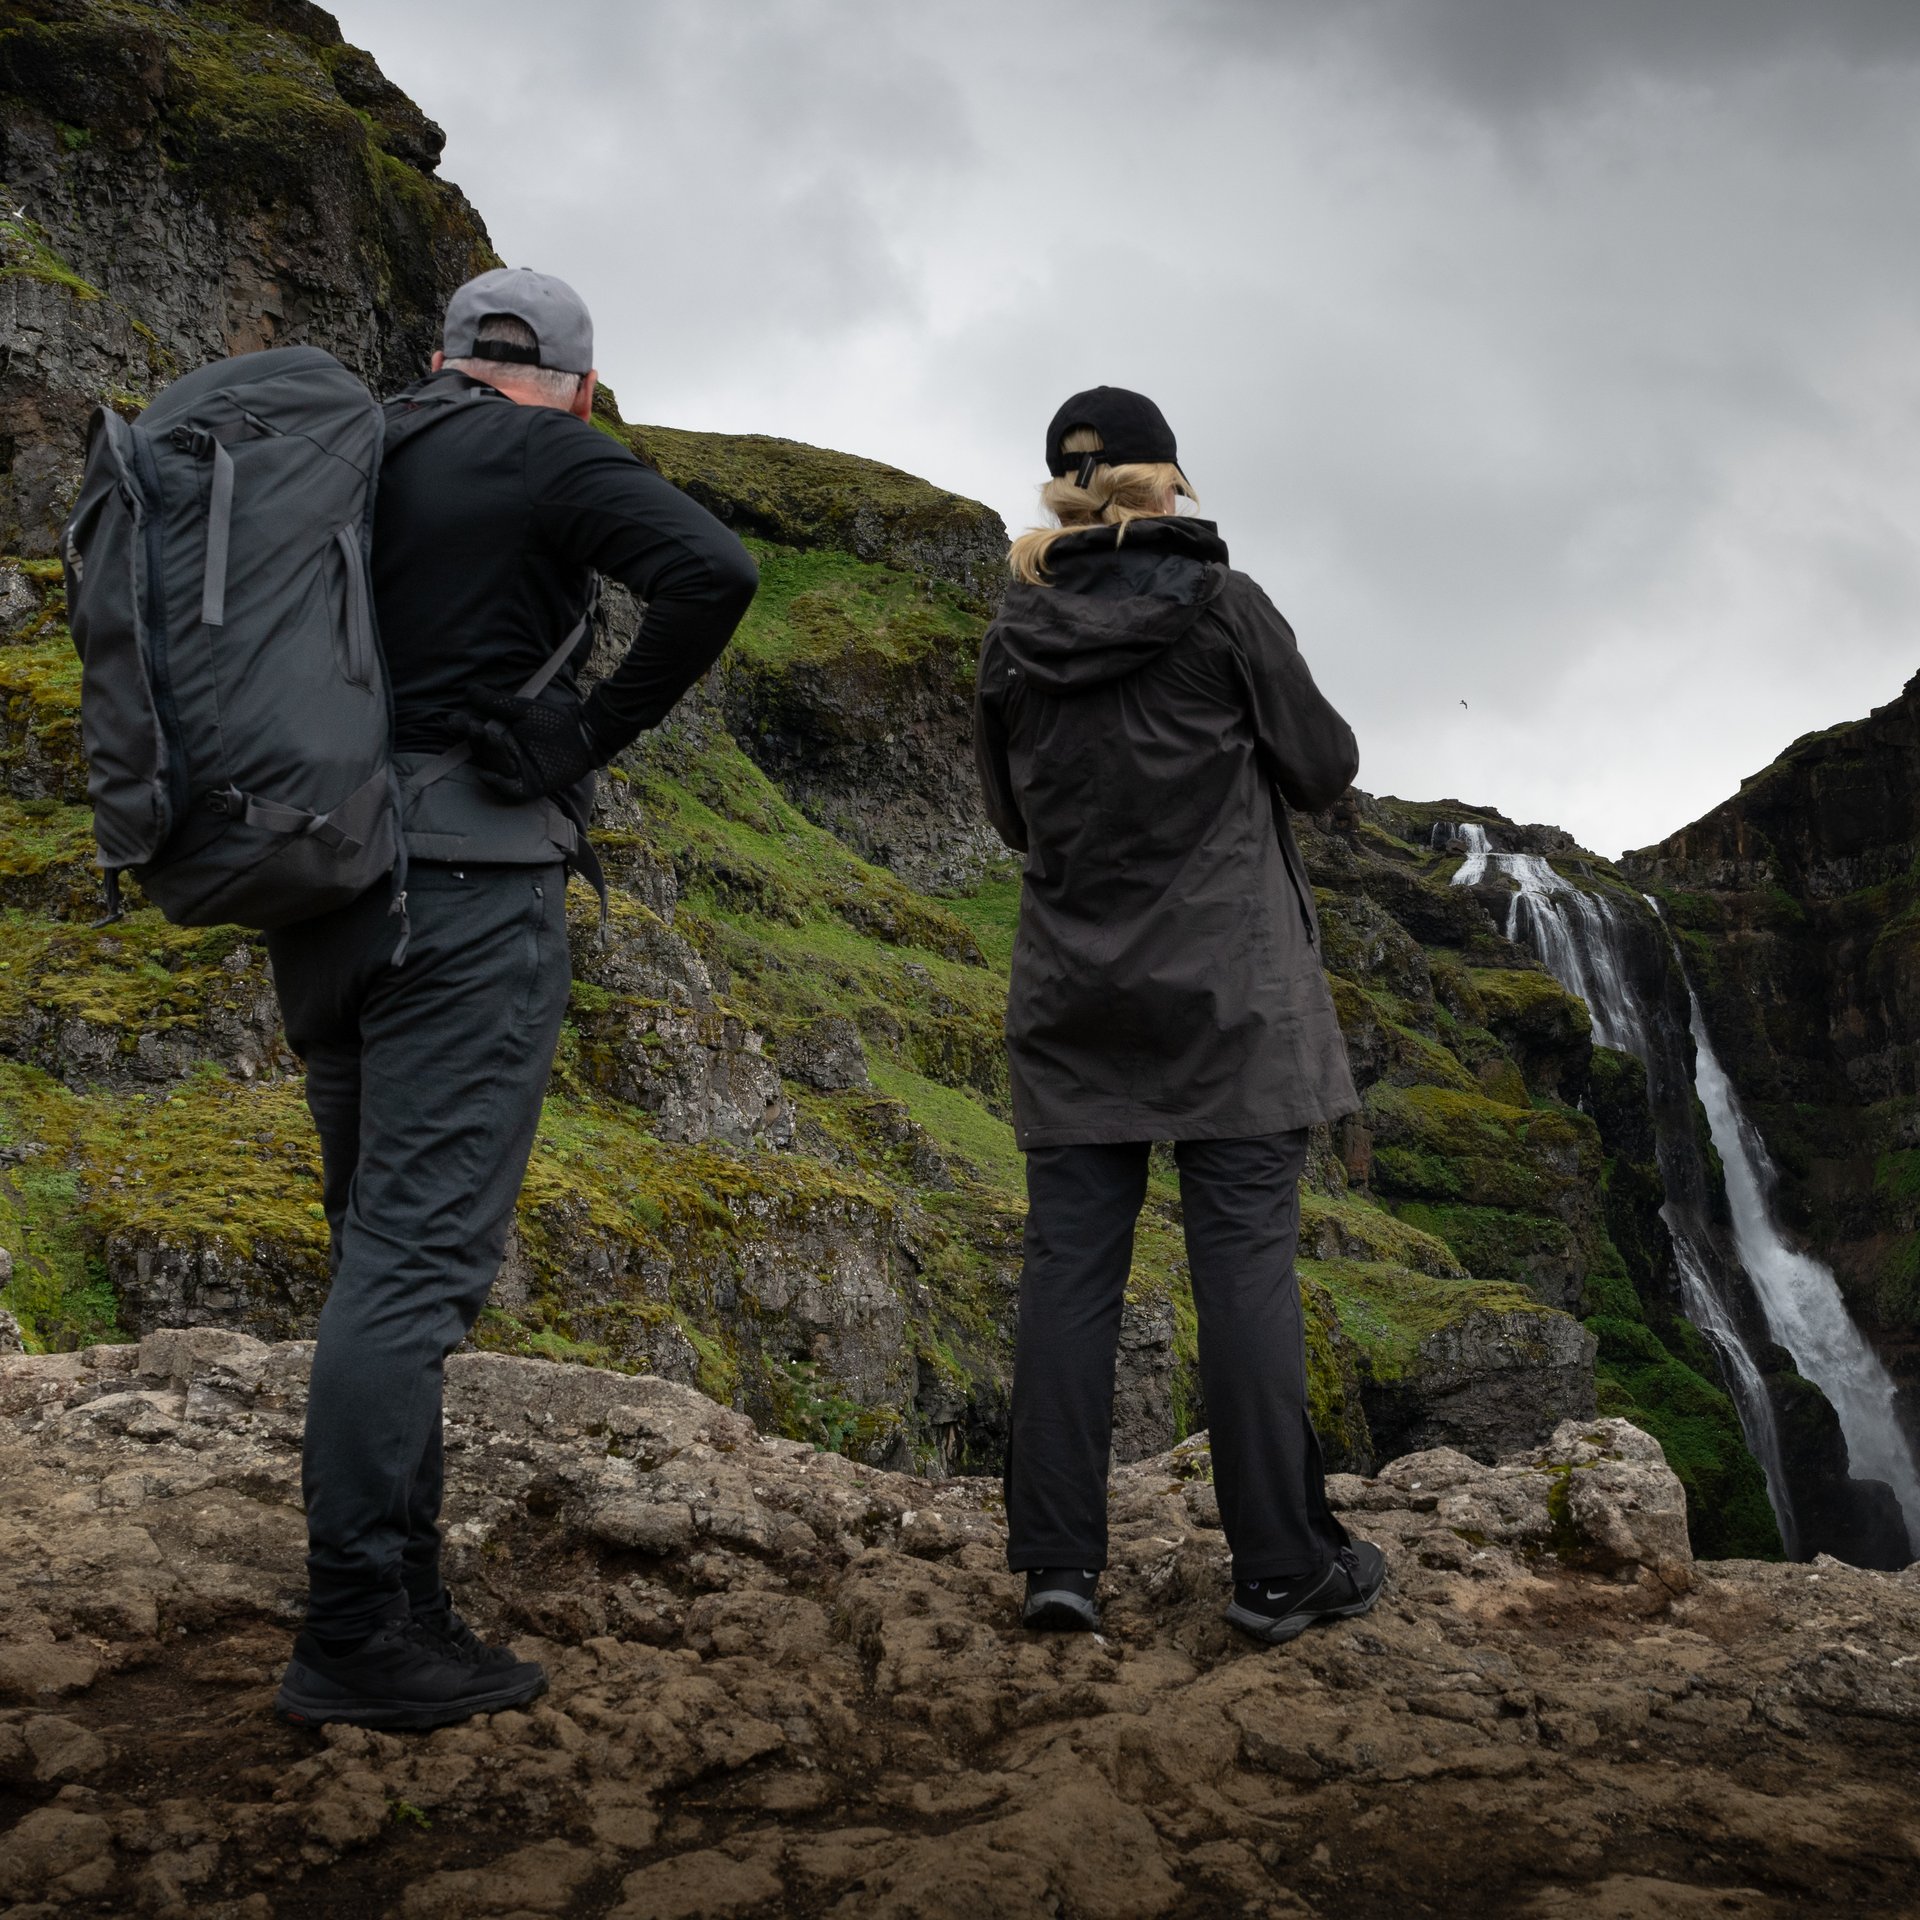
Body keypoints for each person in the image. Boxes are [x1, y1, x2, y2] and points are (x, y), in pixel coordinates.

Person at [271, 268, 758, 1729]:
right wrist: (588, 730)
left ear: (437, 358)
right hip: (467, 890)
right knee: (412, 1270)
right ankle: (355, 1628)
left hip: (321, 892)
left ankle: (405, 1600)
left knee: (375, 1249)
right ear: (578, 385)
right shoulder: (547, 449)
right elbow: (713, 572)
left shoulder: (352, 444)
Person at [973, 385, 1383, 1645]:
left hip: (1075, 993)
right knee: (1244, 1267)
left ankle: (1056, 1566)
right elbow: (1323, 768)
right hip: (1232, 997)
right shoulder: (1225, 608)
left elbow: (1008, 818)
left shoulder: (1016, 631)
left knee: (1069, 1275)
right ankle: (1277, 1571)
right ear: (1170, 481)